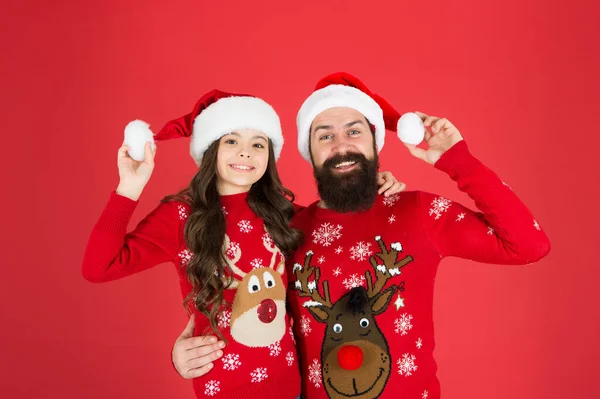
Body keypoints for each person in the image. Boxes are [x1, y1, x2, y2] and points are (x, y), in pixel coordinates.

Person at [171, 73, 551, 399]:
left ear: (374, 143)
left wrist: (456, 160)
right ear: (311, 154)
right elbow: (251, 317)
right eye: (325, 137)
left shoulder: (419, 212)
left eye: (354, 131)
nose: (341, 147)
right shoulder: (286, 232)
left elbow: (529, 245)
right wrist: (185, 352)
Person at [82, 88, 404, 399]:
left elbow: (343, 225)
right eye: (232, 140)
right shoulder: (182, 215)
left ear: (270, 155)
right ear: (211, 149)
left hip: (291, 389)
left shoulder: (282, 212)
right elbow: (98, 267)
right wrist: (129, 188)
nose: (245, 152)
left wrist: (372, 188)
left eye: (258, 144)